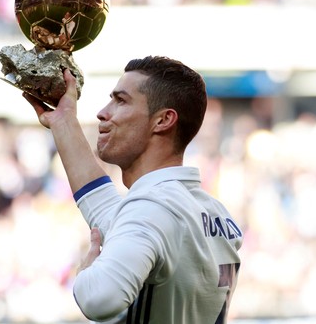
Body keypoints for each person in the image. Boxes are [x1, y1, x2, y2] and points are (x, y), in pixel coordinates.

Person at [23, 56, 243, 323]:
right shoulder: (210, 210)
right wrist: (64, 122)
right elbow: (105, 206)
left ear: (163, 120)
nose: (103, 112)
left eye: (121, 100)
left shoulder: (153, 206)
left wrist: (86, 272)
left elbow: (98, 298)